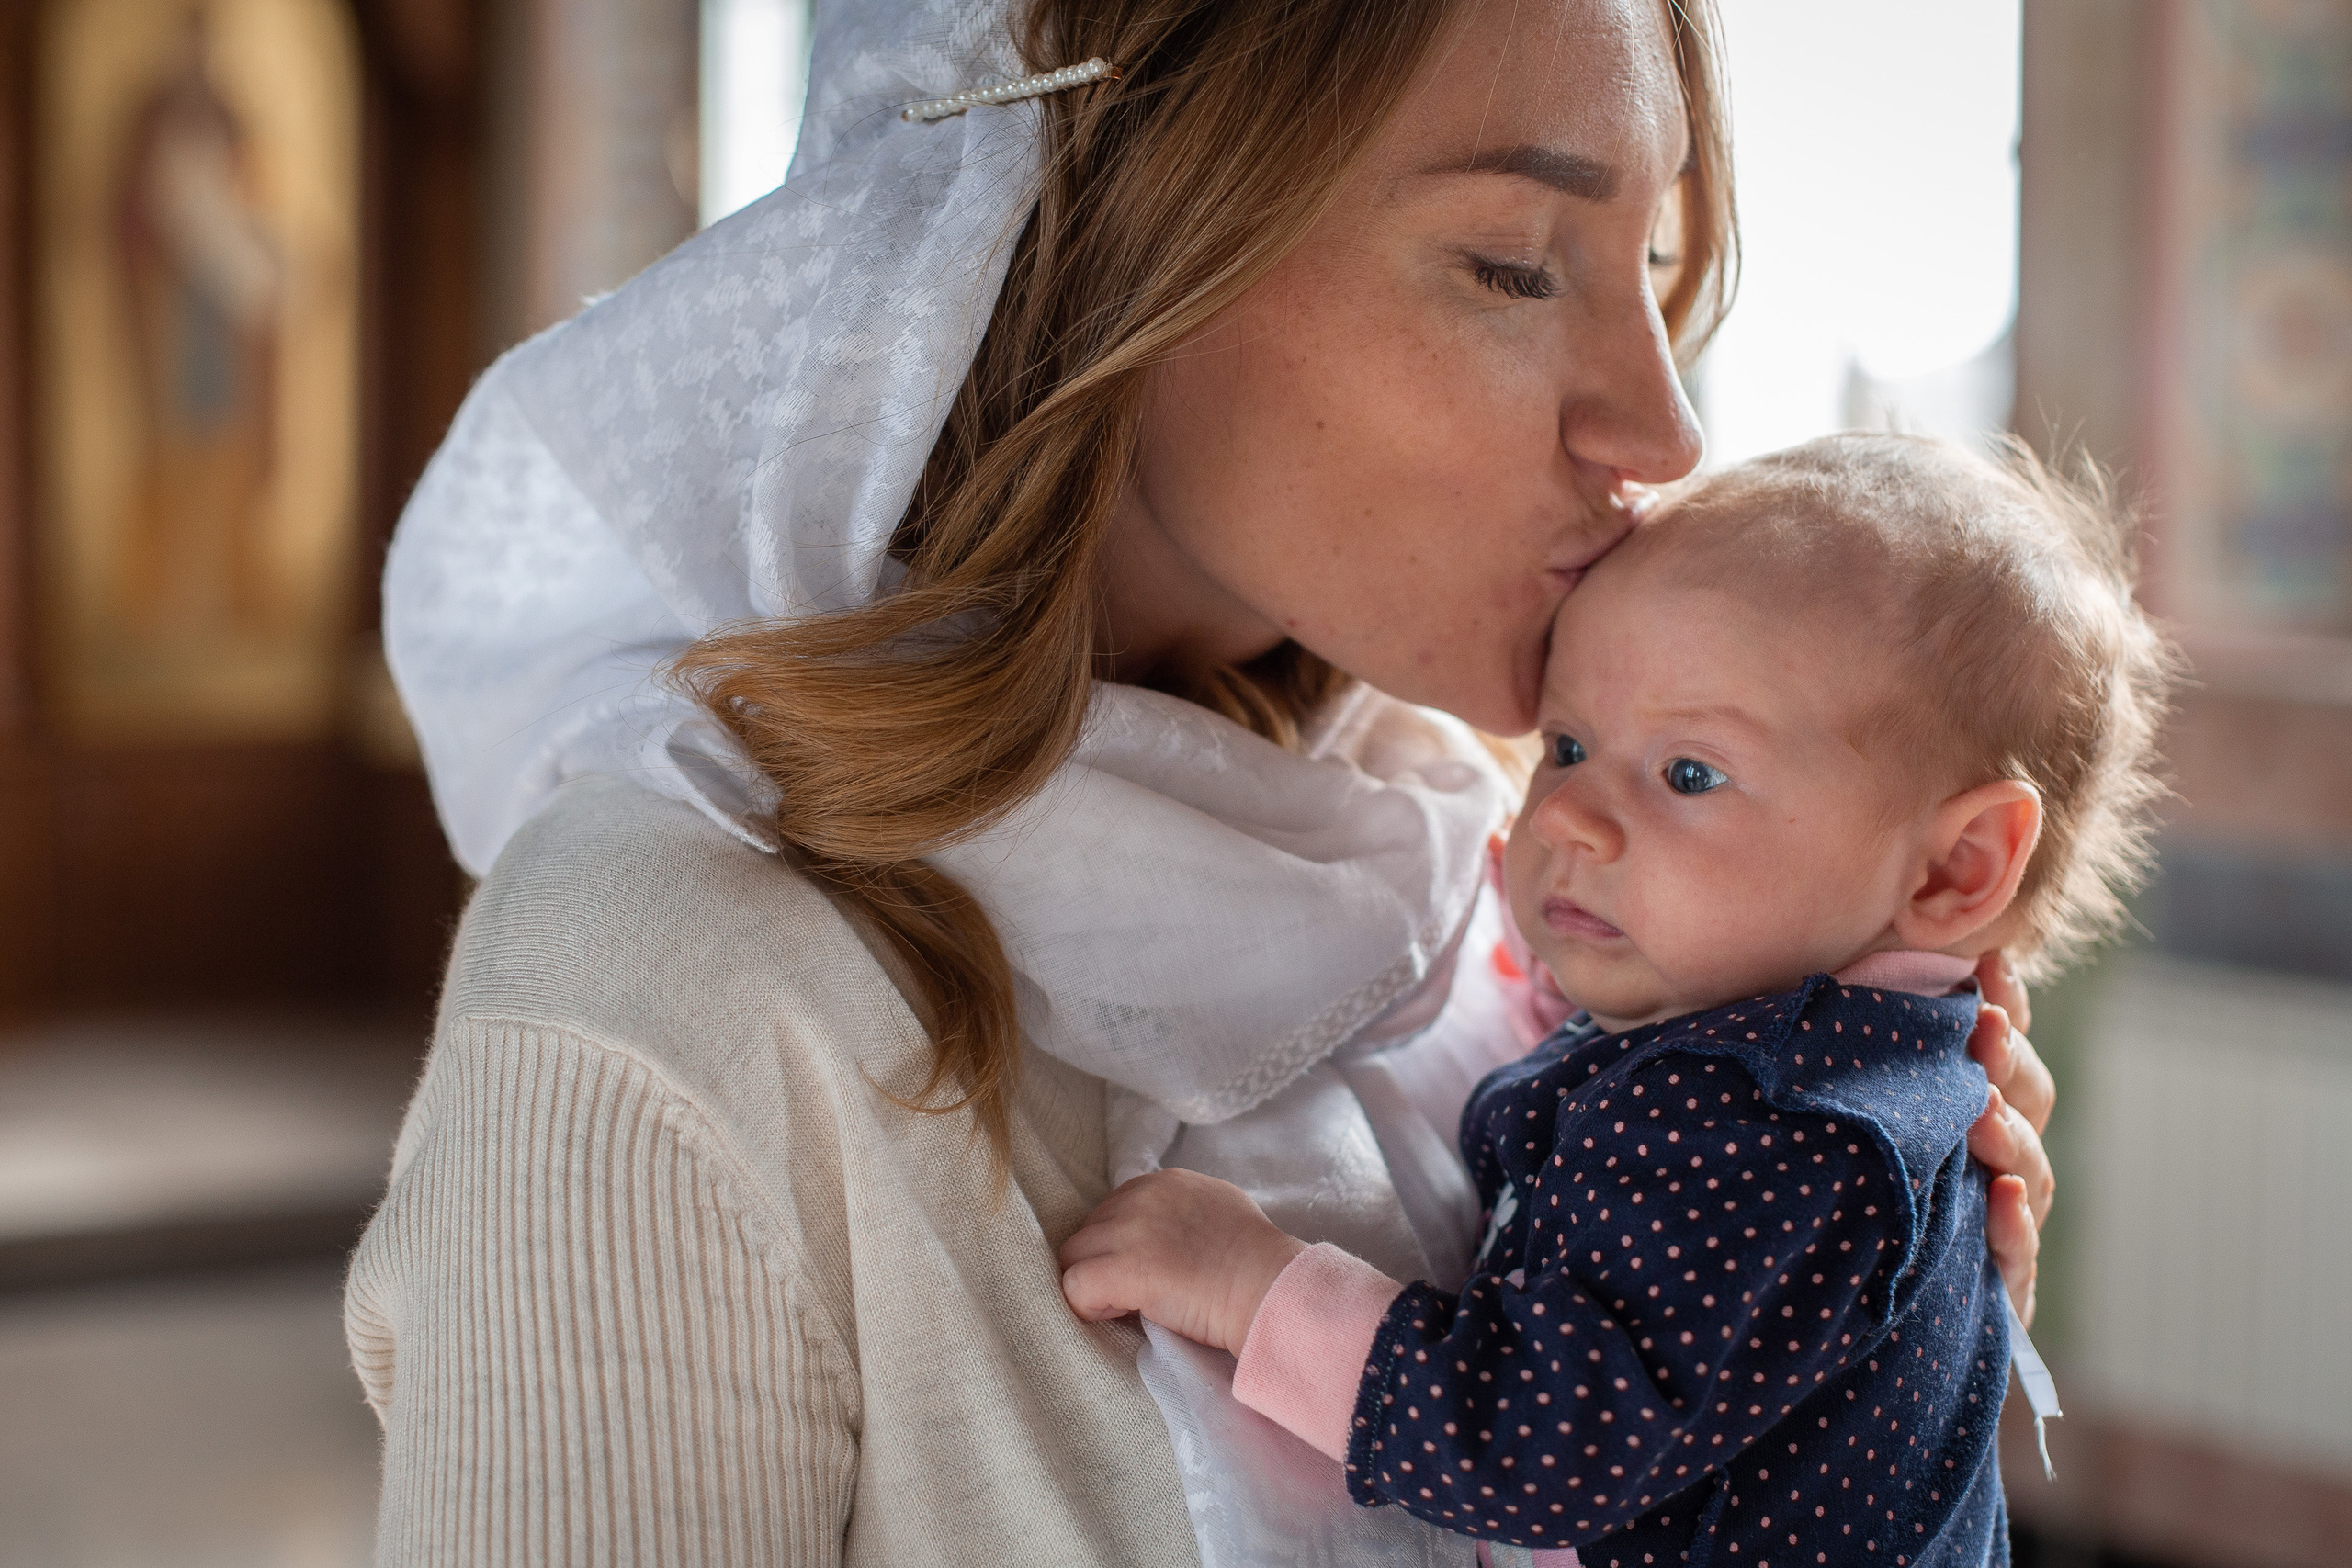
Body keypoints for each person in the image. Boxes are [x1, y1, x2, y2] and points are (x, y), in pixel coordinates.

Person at [350, 2, 2058, 1562]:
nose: (1664, 425)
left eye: (1659, 260)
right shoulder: (653, 990)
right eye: (1517, 263)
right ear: (1107, 248)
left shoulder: (1499, 878)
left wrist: (1863, 1372)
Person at [1059, 434, 2175, 1566]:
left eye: (1689, 773)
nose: (1563, 819)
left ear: (1954, 870)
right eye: (1568, 744)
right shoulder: (1843, 1066)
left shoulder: (1780, 1123)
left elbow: (1541, 1447)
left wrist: (1253, 1285)